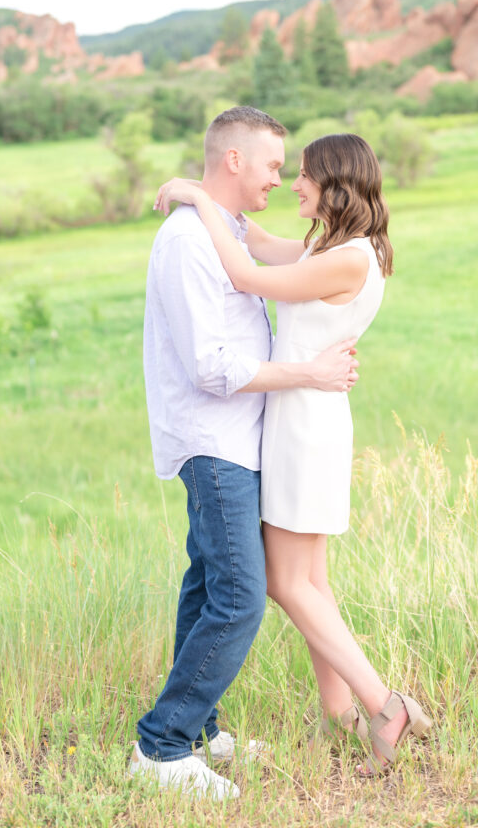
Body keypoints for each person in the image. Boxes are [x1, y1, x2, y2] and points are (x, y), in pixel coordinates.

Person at [154, 131, 432, 777]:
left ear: (333, 184)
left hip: (302, 422)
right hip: (301, 417)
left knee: (284, 582)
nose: (292, 184)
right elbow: (250, 240)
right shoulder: (329, 248)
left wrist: (195, 197)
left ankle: (383, 705)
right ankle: (339, 716)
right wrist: (215, 202)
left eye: (302, 175)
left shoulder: (345, 258)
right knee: (311, 582)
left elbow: (246, 273)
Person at [131, 108, 359, 800]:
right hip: (213, 440)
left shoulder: (224, 229)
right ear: (233, 161)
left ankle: (196, 731)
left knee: (206, 584)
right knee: (238, 597)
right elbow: (209, 367)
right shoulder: (186, 241)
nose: (278, 180)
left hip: (241, 438)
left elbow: (306, 255)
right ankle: (161, 748)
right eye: (269, 166)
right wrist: (309, 375)